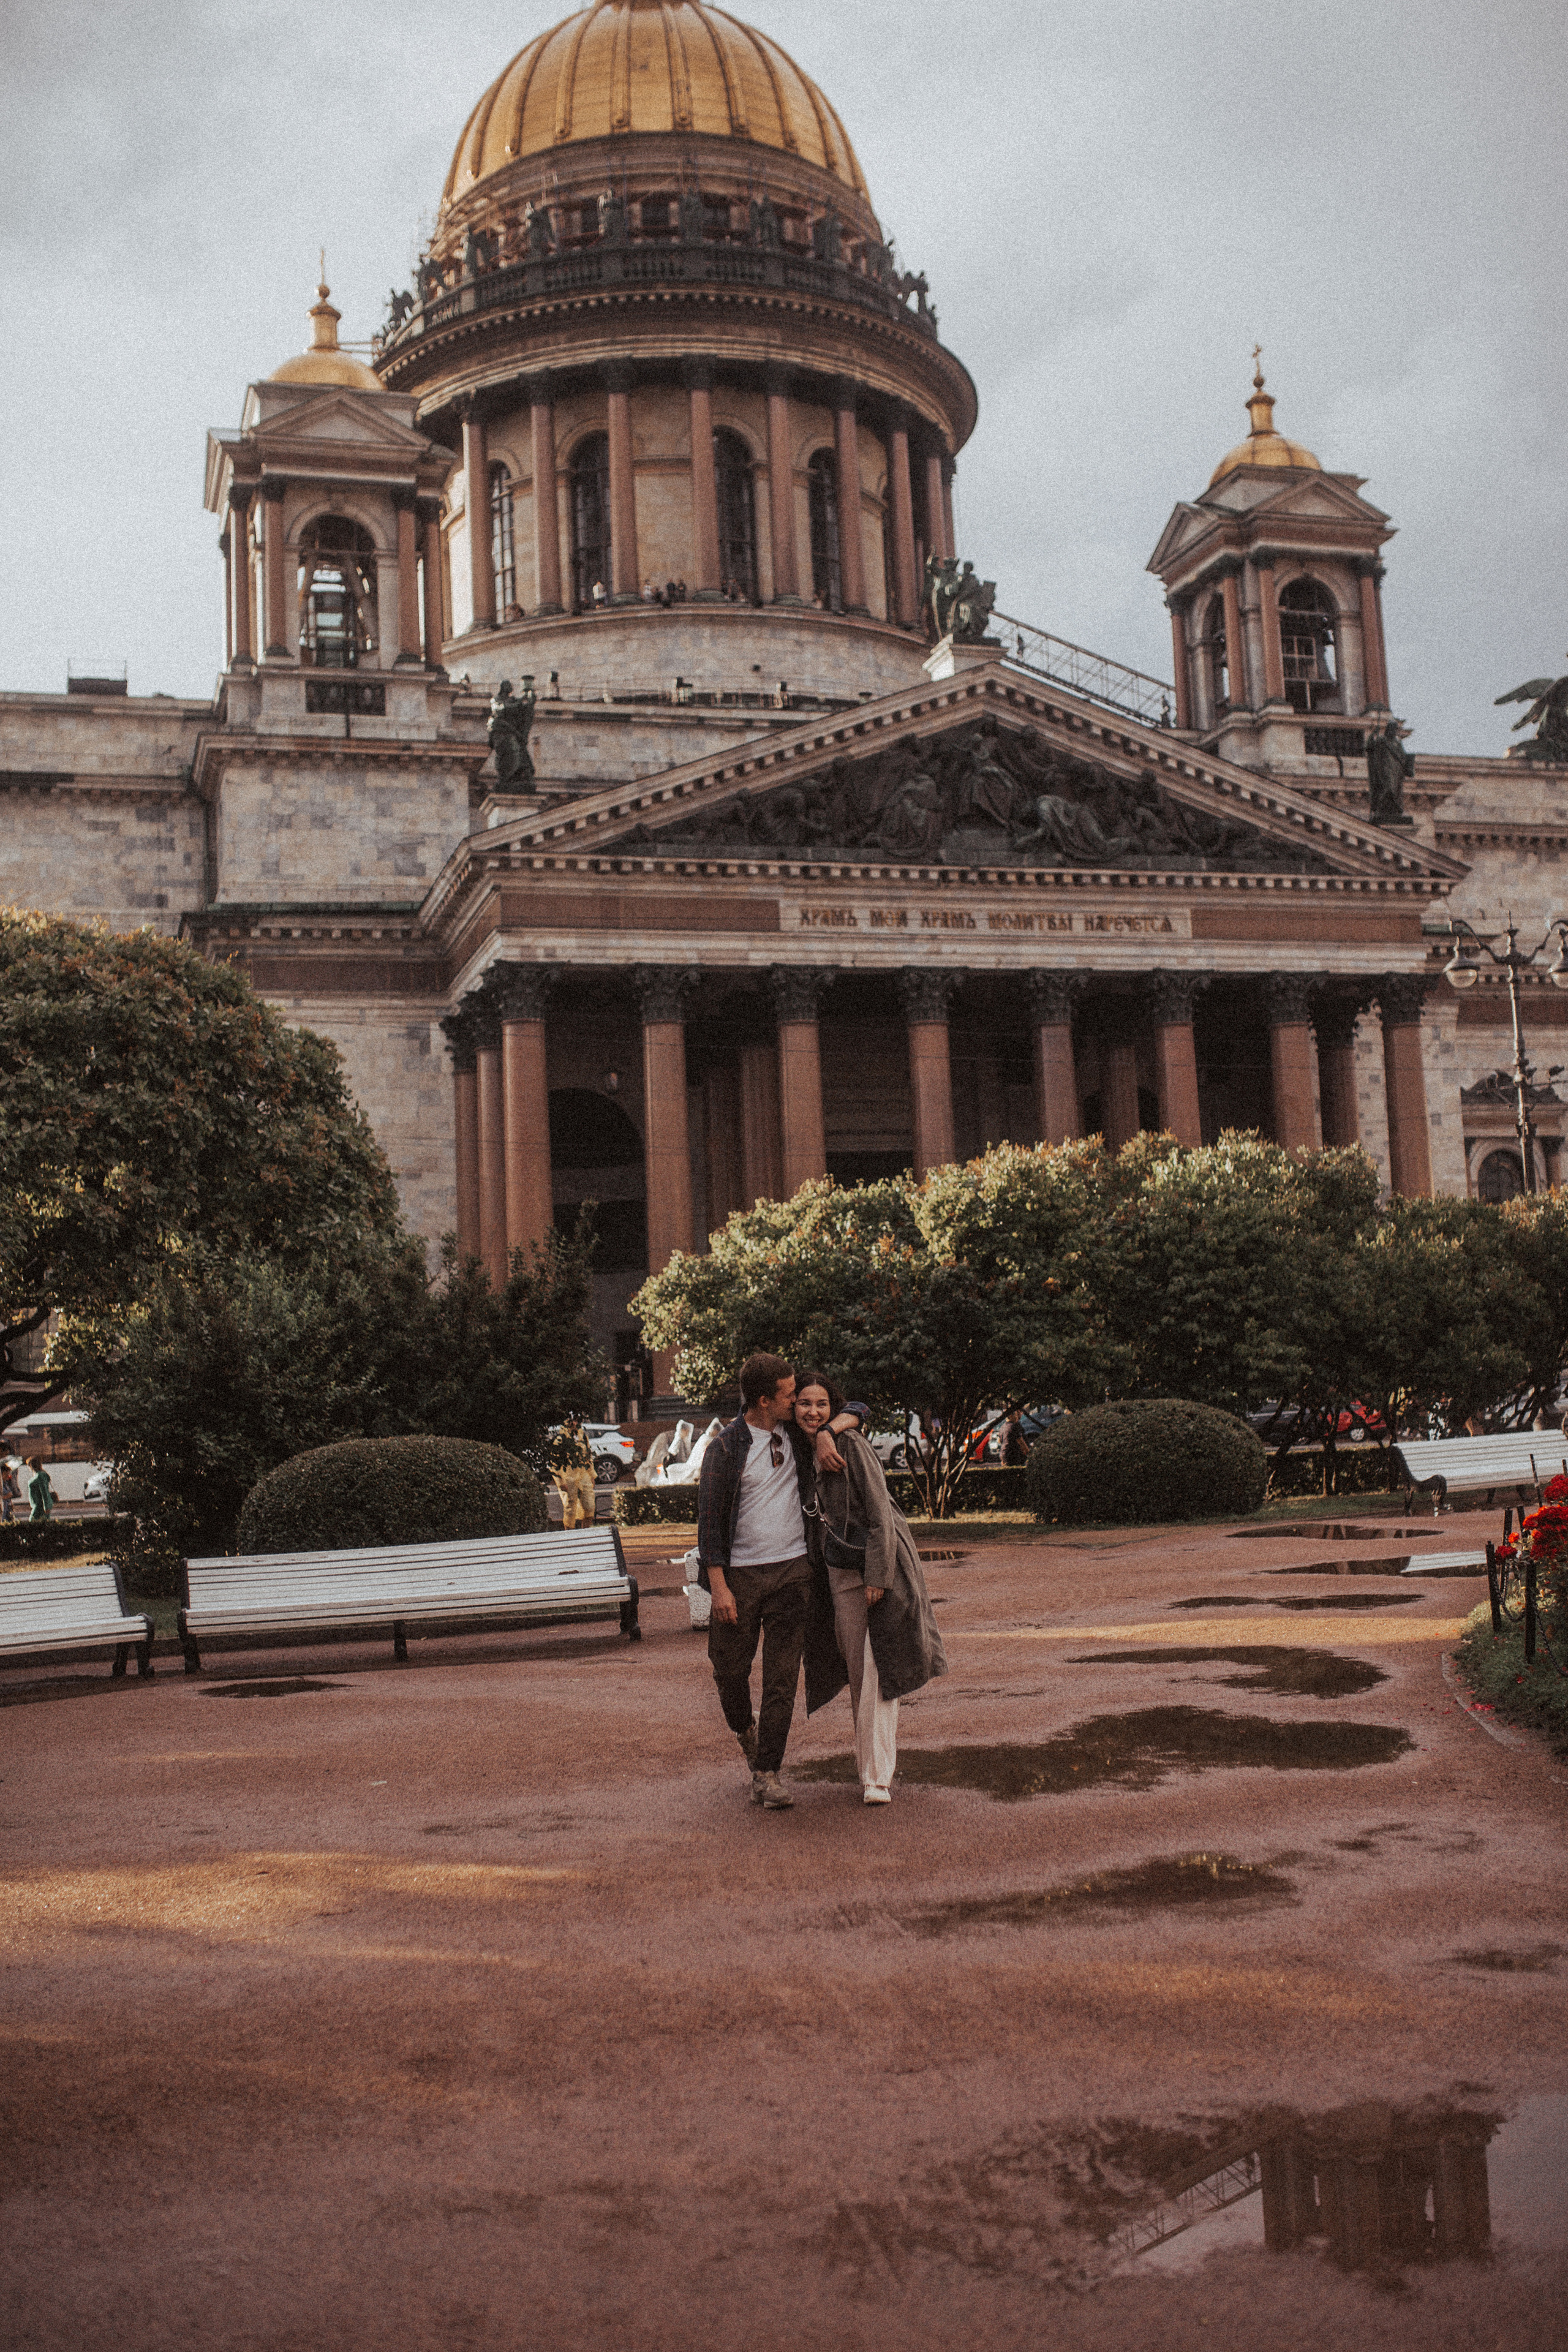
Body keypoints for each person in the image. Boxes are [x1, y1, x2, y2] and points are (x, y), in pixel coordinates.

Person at [696, 1353, 859, 1811]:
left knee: (783, 1679)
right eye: (790, 1395)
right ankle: (746, 1733)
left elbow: (860, 1408)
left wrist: (827, 1431)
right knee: (728, 1670)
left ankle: (767, 1771)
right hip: (740, 1579)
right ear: (765, 1401)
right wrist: (719, 1587)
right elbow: (709, 1524)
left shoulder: (799, 1434)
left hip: (793, 1572)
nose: (797, 1401)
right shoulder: (725, 1449)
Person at [794, 1371, 948, 1804]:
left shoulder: (850, 1445)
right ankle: (869, 1767)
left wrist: (878, 1578)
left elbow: (881, 1514)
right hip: (838, 1575)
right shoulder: (796, 1449)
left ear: (833, 1407)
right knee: (860, 1674)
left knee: (879, 1672)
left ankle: (876, 1777)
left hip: (878, 1568)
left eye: (822, 1404)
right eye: (805, 1403)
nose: (813, 1411)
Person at [549, 1415, 597, 1529]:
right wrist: (560, 1482)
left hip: (583, 1475)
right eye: (572, 1421)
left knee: (590, 1506)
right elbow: (554, 1464)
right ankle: (570, 1536)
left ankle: (586, 1533)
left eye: (576, 1421)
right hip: (568, 1477)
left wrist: (592, 1476)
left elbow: (588, 1457)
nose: (574, 1424)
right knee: (570, 1508)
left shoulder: (583, 1437)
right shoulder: (560, 1440)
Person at [27, 1455, 56, 1522]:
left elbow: (44, 1491)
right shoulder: (40, 1474)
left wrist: (46, 1507)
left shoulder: (40, 1475)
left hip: (40, 1505)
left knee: (32, 1522)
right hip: (38, 1504)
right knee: (44, 1524)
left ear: (31, 1465)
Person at [1, 1458, 19, 1523]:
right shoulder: (1, 1485)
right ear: (2, 1473)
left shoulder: (5, 1483)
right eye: (7, 1474)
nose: (9, 1476)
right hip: (2, 1512)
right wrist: (6, 1497)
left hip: (7, 1511)